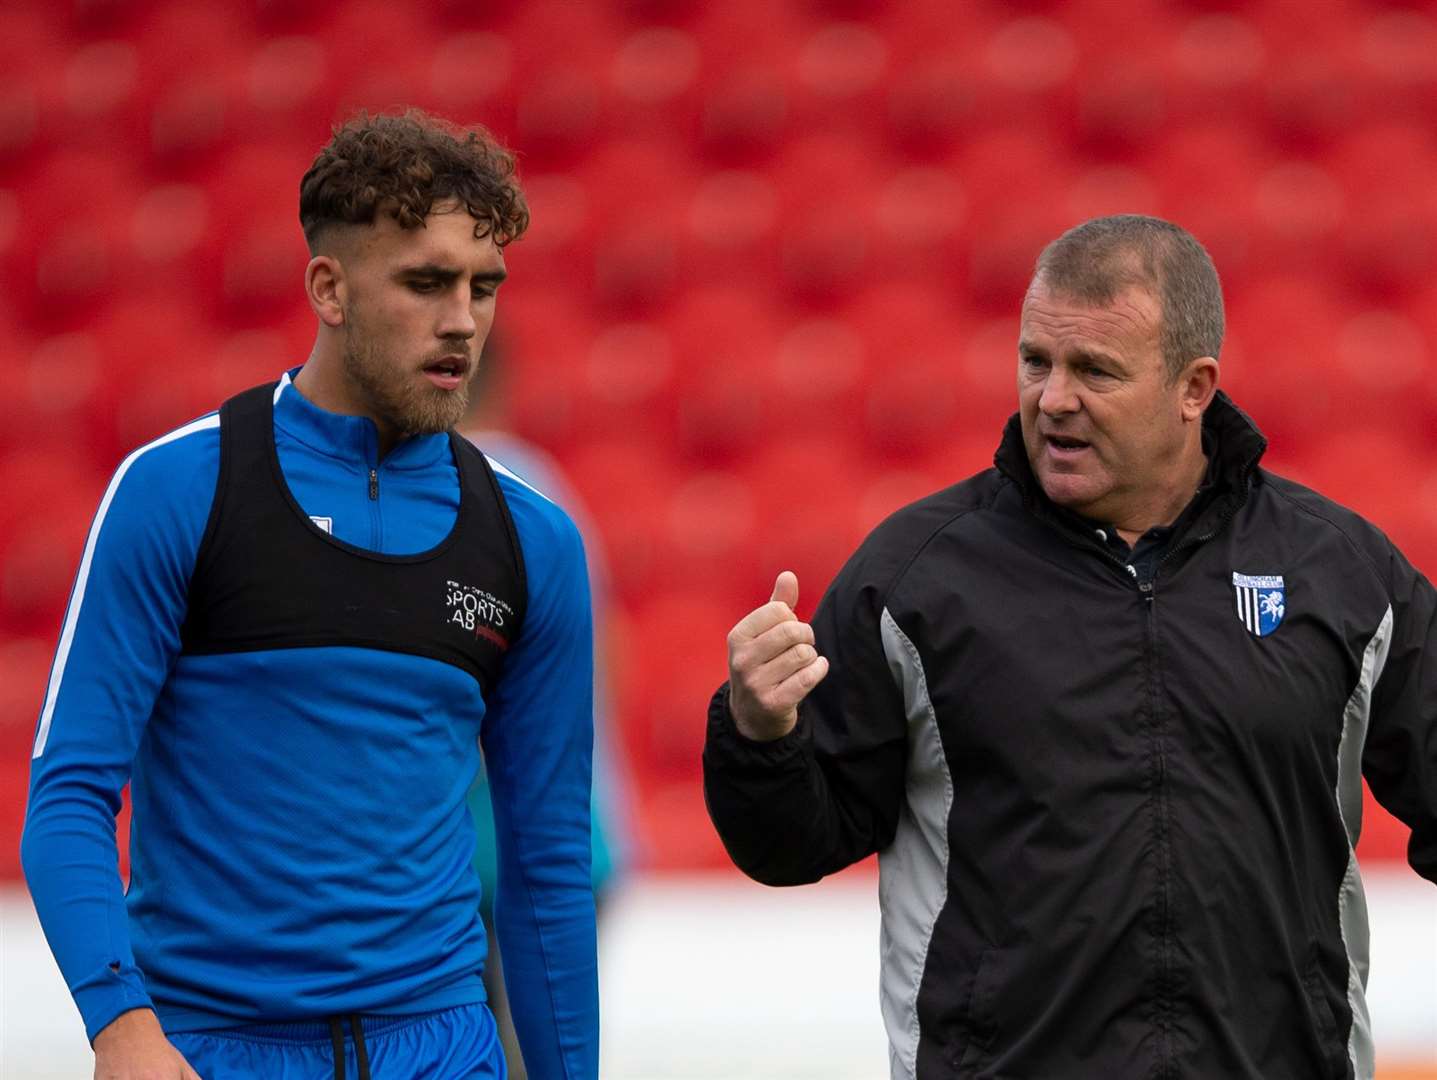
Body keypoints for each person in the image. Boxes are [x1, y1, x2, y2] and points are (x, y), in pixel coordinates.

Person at [703, 215, 1436, 1080]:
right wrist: (759, 733)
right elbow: (790, 845)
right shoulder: (915, 578)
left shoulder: (1339, 571)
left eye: (1094, 370)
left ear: (1193, 387)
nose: (1052, 398)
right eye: (1034, 361)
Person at [21, 110, 598, 1080]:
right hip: (212, 1051)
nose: (463, 319)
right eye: (426, 283)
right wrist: (119, 1022)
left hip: (445, 1047)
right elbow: (70, 790)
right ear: (329, 288)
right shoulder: (176, 493)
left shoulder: (532, 540)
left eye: (482, 286)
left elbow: (547, 863)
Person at [459, 338, 639, 1079]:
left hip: (490, 855)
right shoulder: (542, 488)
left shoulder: (465, 491)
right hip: (567, 840)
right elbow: (608, 657)